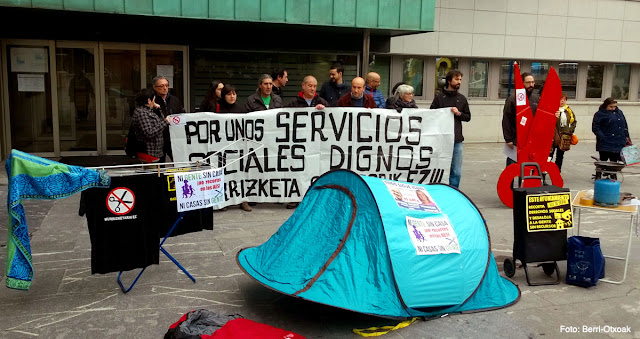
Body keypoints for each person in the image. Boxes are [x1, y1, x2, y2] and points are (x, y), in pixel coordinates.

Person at [430, 69, 471, 188]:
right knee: (440, 167)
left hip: (456, 140)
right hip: (441, 139)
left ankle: (454, 190)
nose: (459, 82)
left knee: (456, 170)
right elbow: (431, 115)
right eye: (456, 79)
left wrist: (459, 113)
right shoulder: (439, 97)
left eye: (460, 80)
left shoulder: (462, 98)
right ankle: (440, 189)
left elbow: (468, 117)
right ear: (449, 80)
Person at [502, 72, 539, 166]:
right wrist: (508, 139)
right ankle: (509, 181)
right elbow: (506, 120)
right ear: (522, 83)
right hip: (515, 139)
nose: (531, 85)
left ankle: (525, 181)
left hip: (531, 139)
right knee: (512, 165)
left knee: (528, 165)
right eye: (528, 82)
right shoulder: (512, 99)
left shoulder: (536, 99)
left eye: (533, 82)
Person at [592, 97, 631, 178]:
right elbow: (596, 127)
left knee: (614, 159)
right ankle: (598, 175)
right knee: (603, 159)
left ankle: (613, 174)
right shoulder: (600, 114)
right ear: (606, 105)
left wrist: (627, 137)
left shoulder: (619, 112)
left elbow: (624, 125)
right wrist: (602, 136)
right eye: (611, 107)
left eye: (614, 106)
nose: (613, 108)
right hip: (605, 140)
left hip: (618, 140)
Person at [131, 88, 172, 163]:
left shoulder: (148, 110)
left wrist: (158, 109)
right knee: (152, 173)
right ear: (149, 100)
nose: (154, 102)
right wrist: (165, 122)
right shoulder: (142, 113)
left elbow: (159, 122)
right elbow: (149, 132)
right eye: (154, 100)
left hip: (156, 151)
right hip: (148, 152)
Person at [152, 76, 186, 161]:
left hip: (174, 138)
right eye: (161, 86)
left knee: (178, 162)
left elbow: (183, 115)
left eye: (167, 85)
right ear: (154, 87)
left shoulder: (175, 100)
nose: (165, 88)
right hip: (159, 139)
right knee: (160, 165)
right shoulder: (152, 101)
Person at [549, 93, 577, 172]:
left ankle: (557, 171)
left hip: (564, 136)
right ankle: (545, 171)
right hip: (553, 136)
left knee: (560, 155)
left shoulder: (568, 110)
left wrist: (570, 130)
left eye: (564, 100)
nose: (562, 101)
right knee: (550, 154)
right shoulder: (553, 109)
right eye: (560, 99)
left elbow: (573, 122)